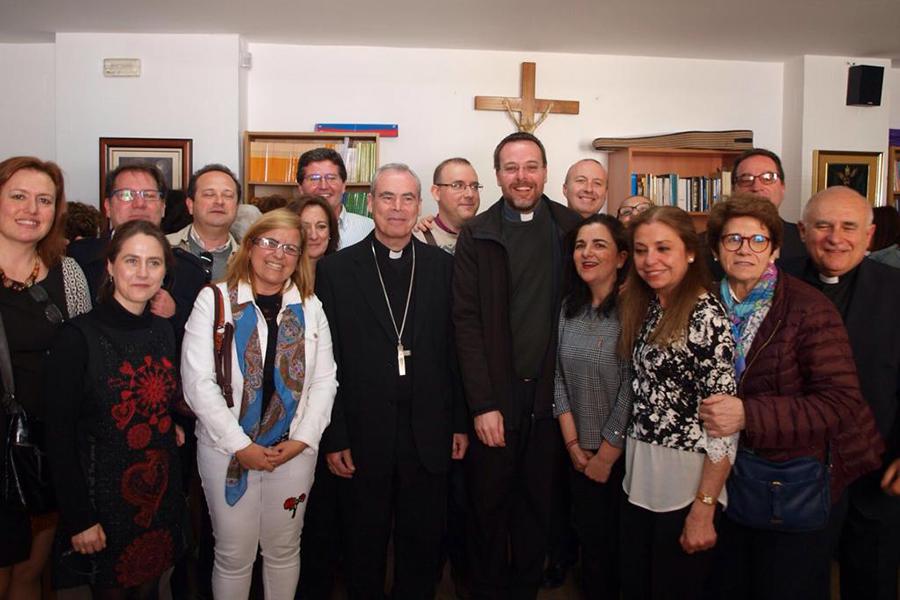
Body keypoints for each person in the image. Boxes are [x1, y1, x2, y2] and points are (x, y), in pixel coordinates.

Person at [700, 195, 882, 600]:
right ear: (715, 249)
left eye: (758, 240)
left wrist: (748, 414)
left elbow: (839, 402)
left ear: (776, 249)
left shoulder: (808, 308)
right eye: (732, 240)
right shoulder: (704, 302)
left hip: (790, 479)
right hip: (725, 474)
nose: (745, 249)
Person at [310, 163, 464, 598]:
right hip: (361, 433)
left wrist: (458, 423)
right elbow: (325, 363)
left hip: (428, 431)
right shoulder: (336, 272)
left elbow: (456, 352)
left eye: (407, 198)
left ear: (421, 204)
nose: (397, 209)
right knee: (363, 545)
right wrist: (335, 434)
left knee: (421, 545)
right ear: (371, 203)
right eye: (387, 198)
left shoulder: (443, 268)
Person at [180, 208, 336, 599]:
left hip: (293, 451)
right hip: (227, 451)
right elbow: (198, 384)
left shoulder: (310, 307)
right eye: (268, 242)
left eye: (289, 248)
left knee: (284, 550)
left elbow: (324, 380)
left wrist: (302, 440)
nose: (277, 254)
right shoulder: (212, 300)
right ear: (249, 246)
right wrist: (241, 446)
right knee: (234, 555)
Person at [453, 132, 581, 599]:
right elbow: (464, 322)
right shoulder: (477, 233)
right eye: (511, 168)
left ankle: (525, 588)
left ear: (546, 171)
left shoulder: (573, 230)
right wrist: (483, 403)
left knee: (536, 506)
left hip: (551, 394)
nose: (521, 177)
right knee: (488, 506)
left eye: (531, 167)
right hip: (496, 397)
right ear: (498, 175)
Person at [45, 220, 184, 598]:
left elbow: (158, 400)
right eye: (132, 261)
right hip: (102, 502)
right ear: (110, 266)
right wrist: (80, 517)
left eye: (154, 263)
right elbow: (58, 437)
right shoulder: (77, 337)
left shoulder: (163, 330)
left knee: (152, 589)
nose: (143, 273)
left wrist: (169, 423)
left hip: (159, 496)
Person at [782, 186, 900, 600]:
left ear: (869, 235)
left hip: (877, 463)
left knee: (873, 575)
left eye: (849, 226)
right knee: (797, 575)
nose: (836, 237)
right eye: (823, 226)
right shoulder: (775, 282)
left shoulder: (896, 288)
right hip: (797, 467)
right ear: (802, 230)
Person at [616, 205, 737, 599]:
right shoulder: (650, 304)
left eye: (663, 249)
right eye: (640, 250)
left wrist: (704, 507)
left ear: (689, 252)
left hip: (686, 477)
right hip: (643, 469)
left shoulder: (705, 314)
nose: (650, 261)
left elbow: (723, 424)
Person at [0, 156, 92, 600]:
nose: (30, 209)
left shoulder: (68, 273)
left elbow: (85, 359)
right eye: (18, 196)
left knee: (30, 573)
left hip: (46, 448)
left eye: (44, 200)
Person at [554, 214, 632, 599]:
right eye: (581, 245)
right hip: (577, 453)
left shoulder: (635, 310)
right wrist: (572, 446)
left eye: (599, 245)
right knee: (591, 547)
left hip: (622, 459)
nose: (587, 253)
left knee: (621, 553)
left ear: (621, 257)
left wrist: (606, 454)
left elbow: (634, 389)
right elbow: (557, 379)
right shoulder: (569, 307)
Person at [166, 164, 241, 282]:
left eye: (228, 195)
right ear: (190, 205)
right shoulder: (163, 247)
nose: (219, 201)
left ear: (237, 207)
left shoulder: (249, 259)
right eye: (209, 194)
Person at [730, 148, 805, 262]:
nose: (756, 187)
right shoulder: (705, 244)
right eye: (746, 179)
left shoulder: (805, 240)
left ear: (783, 187)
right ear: (733, 190)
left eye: (768, 178)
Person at [296, 147, 373, 248]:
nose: (323, 186)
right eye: (314, 178)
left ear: (344, 186)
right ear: (300, 188)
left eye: (331, 178)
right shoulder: (287, 227)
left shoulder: (369, 228)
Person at [413, 157, 482, 254]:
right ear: (436, 192)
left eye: (474, 186)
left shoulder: (490, 237)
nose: (469, 194)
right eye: (457, 185)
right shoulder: (417, 241)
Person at [288, 194, 339, 267]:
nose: (313, 236)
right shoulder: (280, 276)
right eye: (304, 227)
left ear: (330, 232)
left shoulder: (344, 272)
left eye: (321, 227)